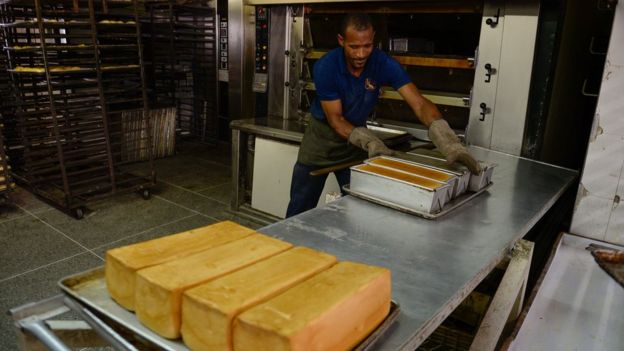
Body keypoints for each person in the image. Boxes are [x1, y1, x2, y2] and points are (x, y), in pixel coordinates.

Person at [285, 13, 480, 218]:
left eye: (367, 46)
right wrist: (370, 142)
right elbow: (336, 119)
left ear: (374, 39)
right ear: (341, 41)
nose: (361, 54)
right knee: (300, 208)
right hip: (320, 145)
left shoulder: (383, 63)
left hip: (355, 148)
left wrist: (447, 139)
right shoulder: (327, 66)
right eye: (354, 47)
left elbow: (419, 104)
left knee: (360, 210)